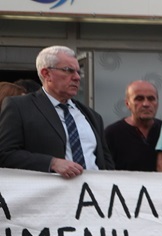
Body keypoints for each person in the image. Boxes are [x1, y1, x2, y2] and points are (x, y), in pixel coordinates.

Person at [0, 45, 114, 177]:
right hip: (51, 195)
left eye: (78, 72)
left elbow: (106, 163)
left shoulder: (92, 116)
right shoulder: (19, 106)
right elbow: (5, 154)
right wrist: (51, 163)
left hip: (91, 194)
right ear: (46, 74)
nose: (77, 77)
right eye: (69, 70)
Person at [104, 80, 162, 172]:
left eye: (151, 99)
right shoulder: (112, 134)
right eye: (139, 99)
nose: (146, 104)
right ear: (127, 103)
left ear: (157, 103)